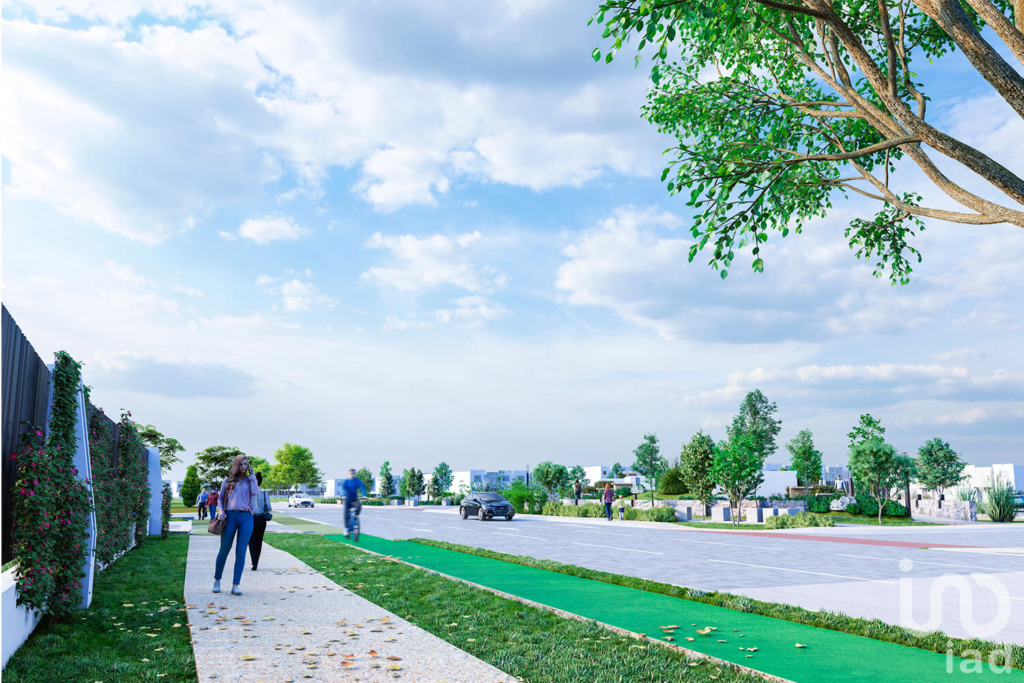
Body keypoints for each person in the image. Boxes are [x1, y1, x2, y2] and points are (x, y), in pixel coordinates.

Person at [213, 455, 260, 595]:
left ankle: (235, 585)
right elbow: (220, 499)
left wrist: (252, 477)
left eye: (246, 464)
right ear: (236, 465)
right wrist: (221, 511)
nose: (244, 467)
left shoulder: (251, 480)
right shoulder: (227, 481)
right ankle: (217, 580)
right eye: (241, 464)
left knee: (241, 551)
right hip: (230, 516)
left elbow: (255, 492)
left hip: (246, 518)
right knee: (224, 550)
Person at [249, 472, 272, 571]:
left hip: (251, 519)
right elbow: (269, 507)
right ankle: (256, 562)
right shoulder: (264, 493)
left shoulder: (249, 493)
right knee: (259, 541)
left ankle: (253, 562)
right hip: (261, 519)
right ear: (261, 482)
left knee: (251, 541)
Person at [341, 468, 366, 539]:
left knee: (359, 506)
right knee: (345, 512)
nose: (352, 474)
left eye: (353, 473)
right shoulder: (346, 481)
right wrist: (344, 495)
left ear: (355, 474)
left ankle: (356, 516)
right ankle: (346, 529)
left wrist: (364, 495)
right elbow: (343, 488)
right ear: (348, 473)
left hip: (354, 499)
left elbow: (362, 487)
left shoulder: (357, 481)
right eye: (350, 473)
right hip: (347, 499)